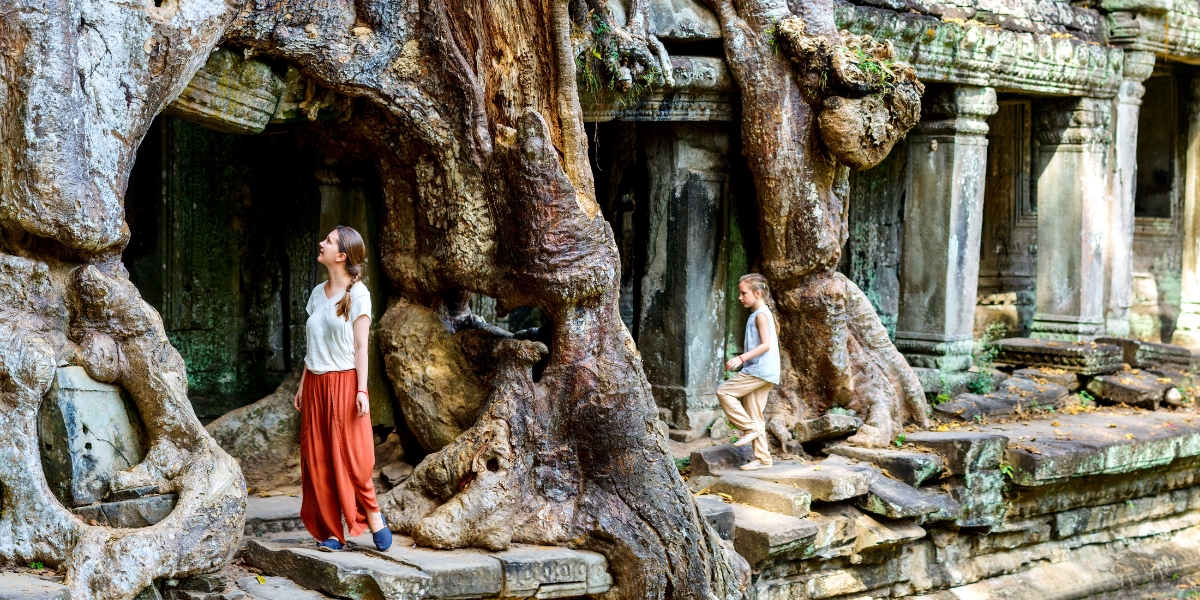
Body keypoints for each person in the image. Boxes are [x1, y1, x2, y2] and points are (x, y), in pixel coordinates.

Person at [293, 225, 392, 552]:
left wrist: (361, 390)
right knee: (318, 460)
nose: (321, 243)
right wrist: (303, 384)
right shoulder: (317, 293)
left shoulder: (358, 295)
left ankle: (372, 513)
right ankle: (332, 532)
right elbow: (312, 346)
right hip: (316, 384)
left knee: (355, 457)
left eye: (329, 241)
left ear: (341, 255)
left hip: (346, 381)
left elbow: (361, 347)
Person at [717, 273, 781, 471]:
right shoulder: (761, 313)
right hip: (766, 371)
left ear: (757, 293)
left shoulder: (761, 314)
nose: (740, 297)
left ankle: (750, 428)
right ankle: (763, 459)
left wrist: (741, 358)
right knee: (755, 413)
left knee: (724, 391)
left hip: (759, 370)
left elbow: (766, 345)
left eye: (743, 293)